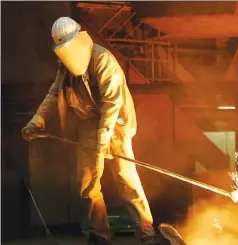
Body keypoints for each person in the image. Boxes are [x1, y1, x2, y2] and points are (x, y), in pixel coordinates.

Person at [22, 17, 157, 245]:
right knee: (87, 183)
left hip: (116, 125)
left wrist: (104, 137)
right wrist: (38, 119)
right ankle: (100, 234)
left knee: (126, 178)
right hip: (88, 125)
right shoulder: (65, 66)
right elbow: (54, 93)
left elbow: (112, 102)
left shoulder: (102, 59)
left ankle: (147, 232)